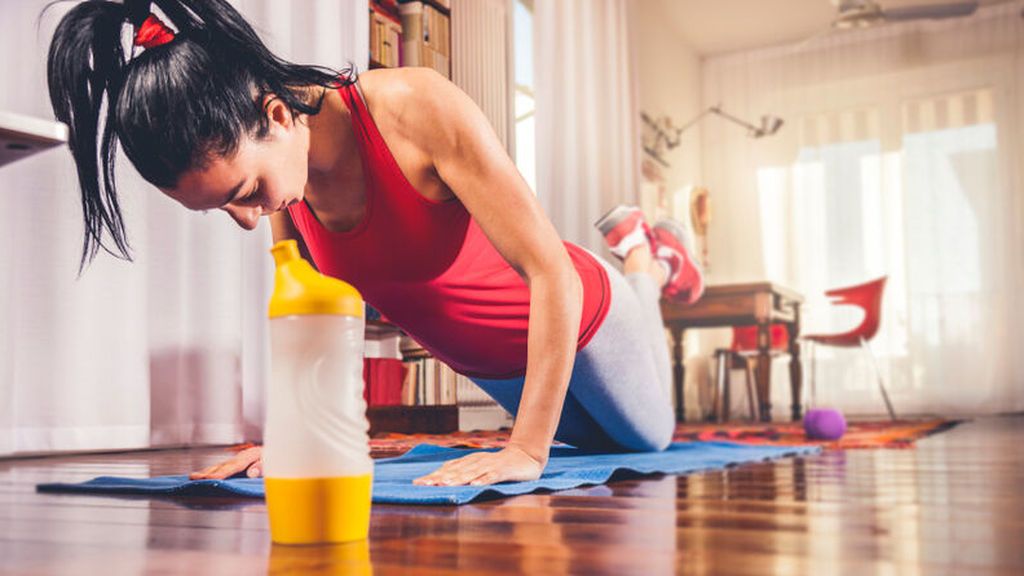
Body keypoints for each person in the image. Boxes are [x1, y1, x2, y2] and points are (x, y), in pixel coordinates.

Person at [46, 0, 704, 487]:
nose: (247, 220)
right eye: (223, 208)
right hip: (501, 363)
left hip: (582, 312)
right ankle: (642, 260)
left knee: (646, 441)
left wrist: (526, 449)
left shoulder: (415, 107)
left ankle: (643, 259)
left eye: (243, 192)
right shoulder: (287, 186)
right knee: (588, 449)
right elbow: (307, 327)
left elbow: (548, 270)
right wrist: (294, 441)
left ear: (278, 115)